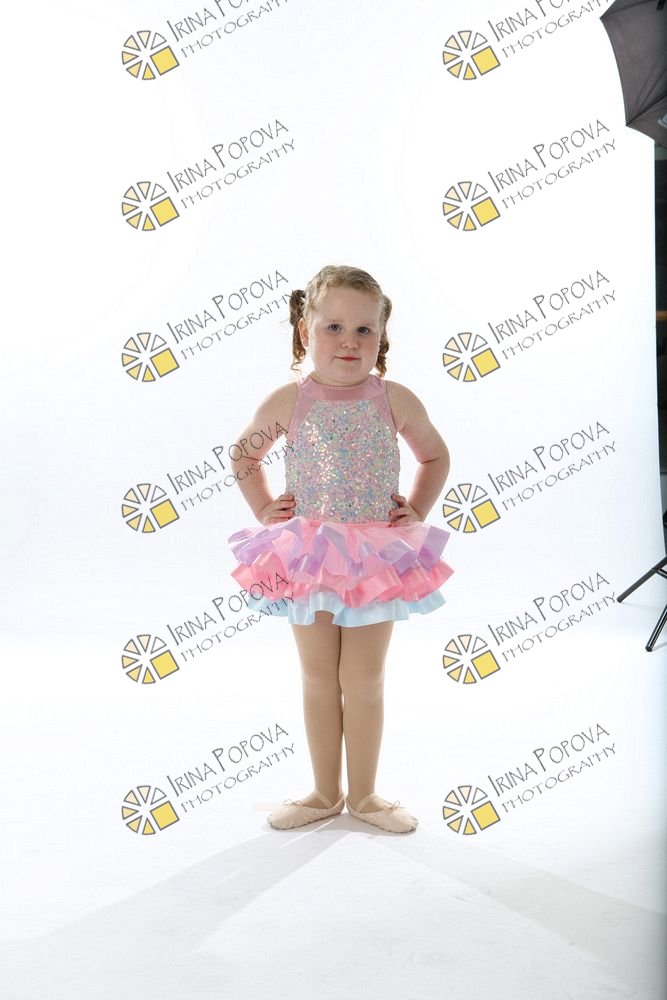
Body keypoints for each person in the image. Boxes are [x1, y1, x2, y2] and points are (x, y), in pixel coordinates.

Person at [227, 264, 454, 833]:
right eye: (333, 328)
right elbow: (245, 454)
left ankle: (367, 796)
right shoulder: (289, 400)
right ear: (306, 330)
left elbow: (434, 455)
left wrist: (416, 510)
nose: (349, 342)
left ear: (381, 336)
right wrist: (264, 508)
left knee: (364, 677)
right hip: (310, 557)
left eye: (363, 330)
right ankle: (325, 792)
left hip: (375, 560)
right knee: (316, 676)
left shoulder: (394, 399)